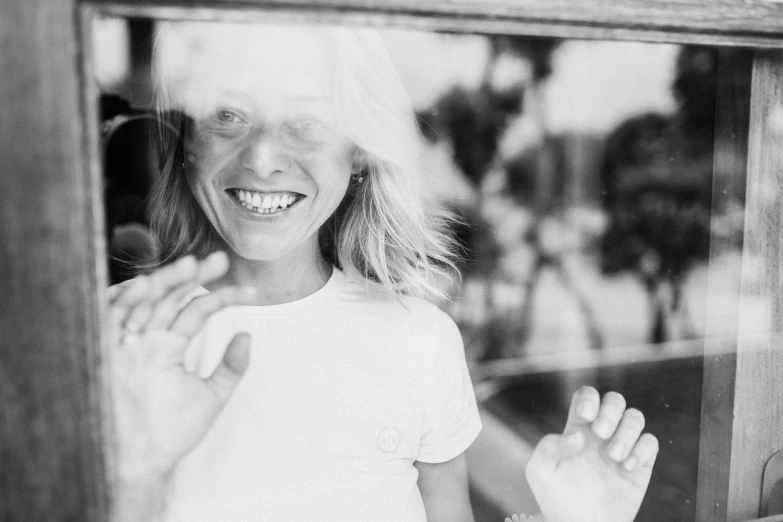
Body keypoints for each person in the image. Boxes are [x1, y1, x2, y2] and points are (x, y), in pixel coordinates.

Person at [107, 21, 659, 522]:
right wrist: (135, 475)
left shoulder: (418, 340)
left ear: (358, 152)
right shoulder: (118, 339)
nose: (262, 159)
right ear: (185, 143)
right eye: (227, 115)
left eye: (305, 121)